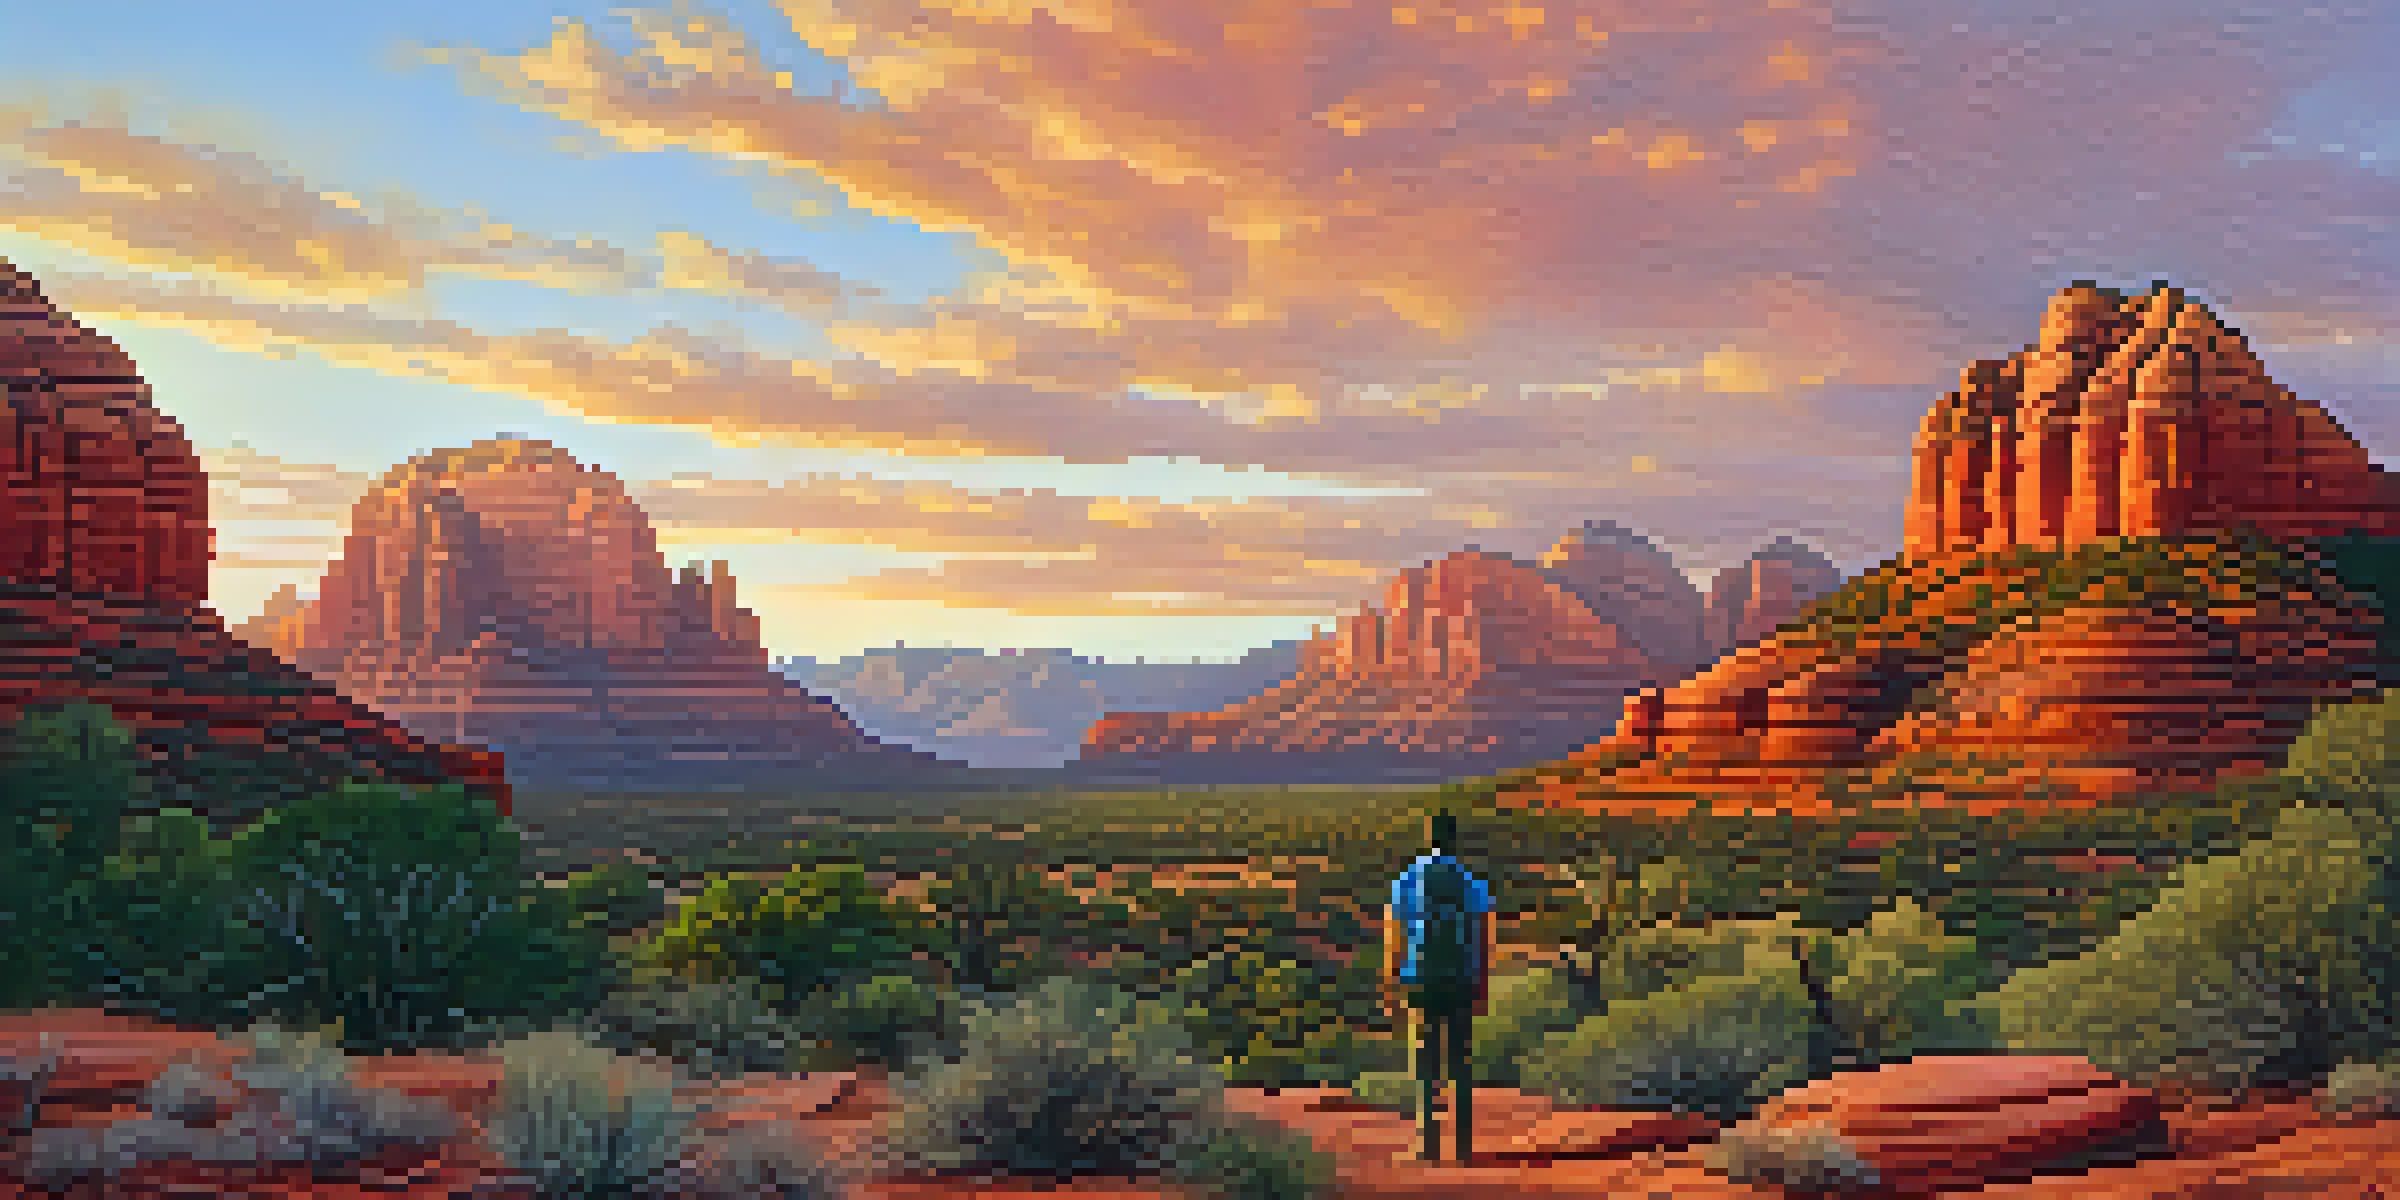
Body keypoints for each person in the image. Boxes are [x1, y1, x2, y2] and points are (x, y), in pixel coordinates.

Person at [1383, 808, 1496, 1165]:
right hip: (1461, 978)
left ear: (1428, 839)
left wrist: (1391, 980)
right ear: (1455, 840)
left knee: (1425, 1062)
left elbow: (1395, 934)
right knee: (1460, 1062)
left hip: (1419, 978)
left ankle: (1427, 1145)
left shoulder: (1407, 879)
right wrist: (1482, 984)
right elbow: (1483, 937)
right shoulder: (1471, 882)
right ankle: (1463, 1147)